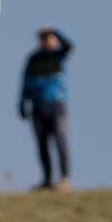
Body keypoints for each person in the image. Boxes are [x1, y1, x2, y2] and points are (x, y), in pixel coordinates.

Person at [20, 27, 73, 190]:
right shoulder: (33, 59)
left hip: (57, 105)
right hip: (38, 106)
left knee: (60, 141)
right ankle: (47, 180)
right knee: (42, 145)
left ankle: (64, 179)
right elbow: (26, 82)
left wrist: (54, 31)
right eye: (43, 38)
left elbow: (69, 45)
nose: (46, 40)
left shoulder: (58, 55)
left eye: (49, 38)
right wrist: (22, 102)